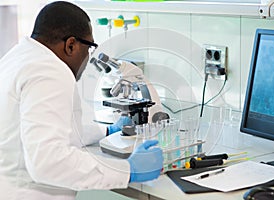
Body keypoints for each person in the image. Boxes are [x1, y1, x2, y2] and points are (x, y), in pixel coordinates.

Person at [0, 1, 163, 200]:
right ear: (71, 45)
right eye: (89, 48)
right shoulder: (51, 71)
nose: (88, 58)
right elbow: (47, 161)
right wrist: (127, 170)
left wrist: (106, 131)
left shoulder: (18, 57)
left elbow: (45, 128)